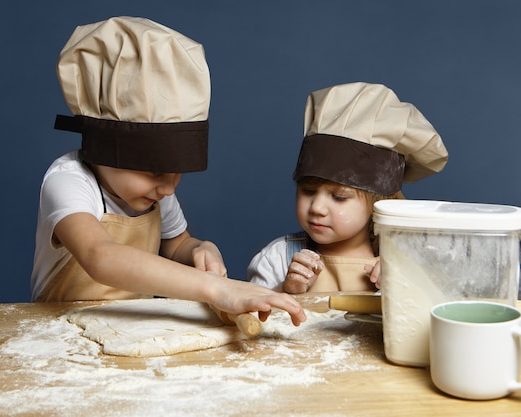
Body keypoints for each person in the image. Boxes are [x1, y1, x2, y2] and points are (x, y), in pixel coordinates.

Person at [30, 16, 305, 325]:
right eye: (155, 172)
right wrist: (215, 288)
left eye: (177, 172)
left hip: (132, 327)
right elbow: (100, 255)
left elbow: (175, 244)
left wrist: (200, 249)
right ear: (105, 148)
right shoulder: (69, 181)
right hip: (59, 333)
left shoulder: (154, 193)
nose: (169, 188)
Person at [247, 82, 449, 294]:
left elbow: (433, 315)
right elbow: (249, 317)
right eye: (308, 191)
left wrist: (402, 286)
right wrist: (286, 290)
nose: (317, 207)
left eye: (339, 197)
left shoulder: (406, 265)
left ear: (381, 203)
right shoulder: (278, 258)